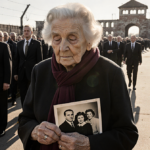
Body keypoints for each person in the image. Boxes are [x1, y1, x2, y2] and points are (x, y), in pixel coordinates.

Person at [18, 3, 138, 150]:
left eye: (72, 38)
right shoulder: (40, 71)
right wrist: (35, 132)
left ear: (89, 41)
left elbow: (127, 134)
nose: (63, 47)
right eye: (56, 38)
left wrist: (90, 144)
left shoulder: (111, 74)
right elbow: (25, 120)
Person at [14, 25, 43, 106]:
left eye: (28, 30)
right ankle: (24, 112)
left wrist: (38, 74)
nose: (26, 32)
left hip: (32, 73)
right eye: (25, 31)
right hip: (21, 74)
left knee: (32, 94)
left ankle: (32, 112)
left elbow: (39, 60)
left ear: (31, 32)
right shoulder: (19, 44)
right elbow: (17, 59)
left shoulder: (37, 44)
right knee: (23, 94)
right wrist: (15, 73)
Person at [0, 31, 12, 137]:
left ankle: (2, 128)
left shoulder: (4, 46)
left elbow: (8, 65)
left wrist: (7, 82)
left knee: (2, 106)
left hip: (1, 83)